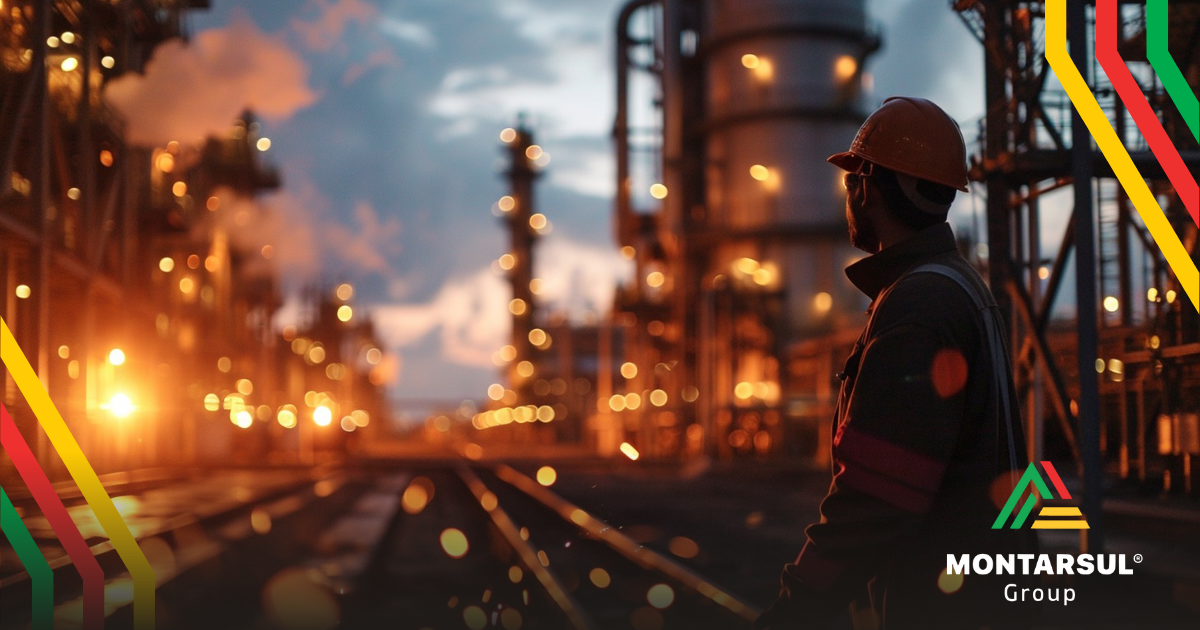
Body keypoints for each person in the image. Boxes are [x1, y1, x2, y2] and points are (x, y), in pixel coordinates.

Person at [754, 97, 1038, 630]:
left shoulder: (919, 304)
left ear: (867, 187)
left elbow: (874, 501)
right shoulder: (956, 285)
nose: (848, 193)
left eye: (852, 178)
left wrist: (794, 611)